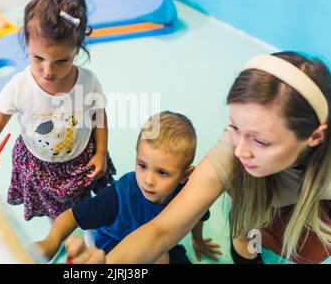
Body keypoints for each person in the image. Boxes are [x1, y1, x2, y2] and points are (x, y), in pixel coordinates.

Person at [65, 52, 331, 264]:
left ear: (315, 137)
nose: (239, 152)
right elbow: (161, 230)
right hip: (260, 214)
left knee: (311, 250)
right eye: (234, 127)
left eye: (260, 140)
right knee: (248, 238)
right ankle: (245, 244)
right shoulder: (233, 151)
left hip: (311, 206)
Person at [0, 0, 116, 221]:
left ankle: (87, 237)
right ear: (27, 43)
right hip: (39, 165)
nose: (48, 70)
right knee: (54, 210)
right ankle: (59, 235)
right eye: (38, 58)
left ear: (78, 46)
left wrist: (101, 151)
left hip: (81, 159)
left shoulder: (87, 82)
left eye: (61, 60)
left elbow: (99, 116)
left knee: (83, 209)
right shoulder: (19, 87)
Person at [35, 111, 221, 263]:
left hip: (165, 245)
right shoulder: (119, 196)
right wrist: (51, 241)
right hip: (114, 246)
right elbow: (71, 217)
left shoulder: (188, 194)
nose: (148, 180)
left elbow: (198, 216)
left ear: (185, 175)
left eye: (162, 172)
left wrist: (198, 240)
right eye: (142, 165)